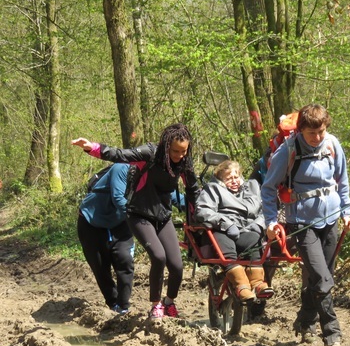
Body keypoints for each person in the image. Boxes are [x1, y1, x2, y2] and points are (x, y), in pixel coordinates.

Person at [72, 123, 200, 321]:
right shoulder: (150, 153)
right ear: (166, 146)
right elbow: (120, 155)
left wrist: (198, 215)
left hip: (162, 216)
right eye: (176, 151)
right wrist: (92, 147)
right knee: (158, 257)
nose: (180, 155)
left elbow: (193, 191)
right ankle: (155, 305)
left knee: (177, 266)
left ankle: (169, 302)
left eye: (184, 151)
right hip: (139, 215)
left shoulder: (185, 162)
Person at [261, 104, 350, 346]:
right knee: (323, 279)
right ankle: (332, 334)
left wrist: (347, 212)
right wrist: (271, 221)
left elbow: (342, 180)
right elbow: (268, 188)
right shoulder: (288, 150)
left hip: (331, 218)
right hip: (301, 222)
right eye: (312, 133)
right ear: (301, 130)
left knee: (320, 279)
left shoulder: (333, 144)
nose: (318, 137)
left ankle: (304, 320)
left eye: (321, 131)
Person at [193, 159, 273, 302]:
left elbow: (266, 209)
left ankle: (257, 284)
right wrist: (226, 224)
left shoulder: (252, 187)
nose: (234, 181)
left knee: (254, 240)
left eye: (236, 177)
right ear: (220, 180)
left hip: (247, 228)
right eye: (228, 178)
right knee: (223, 243)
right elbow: (203, 211)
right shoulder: (213, 189)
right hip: (222, 229)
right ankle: (241, 286)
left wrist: (259, 224)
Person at [77, 163, 134, 314]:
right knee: (101, 267)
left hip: (121, 223)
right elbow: (117, 197)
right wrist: (139, 218)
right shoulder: (120, 169)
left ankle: (123, 306)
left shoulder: (153, 176)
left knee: (125, 259)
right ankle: (113, 302)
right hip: (91, 222)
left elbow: (166, 194)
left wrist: (189, 202)